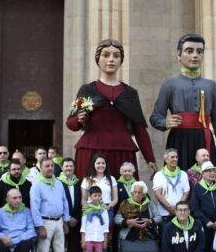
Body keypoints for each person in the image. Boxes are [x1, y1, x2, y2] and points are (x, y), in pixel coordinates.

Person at [66, 39, 157, 179]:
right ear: (98, 59)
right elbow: (71, 123)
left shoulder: (130, 93)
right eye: (106, 55)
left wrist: (150, 158)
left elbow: (139, 128)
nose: (111, 60)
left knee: (123, 197)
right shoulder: (86, 90)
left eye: (116, 56)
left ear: (121, 60)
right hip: (91, 151)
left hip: (122, 153)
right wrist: (79, 119)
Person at [150, 33, 216, 171]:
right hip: (179, 141)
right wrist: (164, 122)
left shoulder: (211, 86)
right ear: (179, 55)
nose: (195, 55)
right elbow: (155, 117)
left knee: (207, 183)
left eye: (199, 51)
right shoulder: (169, 84)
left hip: (204, 140)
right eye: (189, 51)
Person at [31, 158, 71, 252]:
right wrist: (39, 226)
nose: (49, 168)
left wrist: (66, 220)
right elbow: (34, 207)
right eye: (46, 166)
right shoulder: (37, 185)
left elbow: (65, 202)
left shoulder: (59, 183)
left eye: (51, 166)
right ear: (41, 168)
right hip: (45, 222)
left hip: (59, 221)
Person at [80, 153, 118, 252]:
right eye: (98, 163)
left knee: (103, 243)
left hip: (106, 212)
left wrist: (108, 207)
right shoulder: (87, 180)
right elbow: (84, 199)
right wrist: (87, 209)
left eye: (103, 163)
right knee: (90, 242)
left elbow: (115, 198)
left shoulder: (111, 179)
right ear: (93, 165)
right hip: (91, 213)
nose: (101, 165)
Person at [117, 181, 159, 252]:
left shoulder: (149, 204)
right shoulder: (124, 203)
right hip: (129, 236)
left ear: (144, 194)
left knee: (153, 251)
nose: (136, 194)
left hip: (147, 235)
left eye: (139, 192)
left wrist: (150, 221)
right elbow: (116, 219)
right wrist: (128, 222)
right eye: (134, 192)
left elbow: (158, 217)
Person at [190, 161, 216, 252]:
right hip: (204, 225)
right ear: (202, 174)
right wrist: (207, 221)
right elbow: (194, 209)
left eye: (213, 170)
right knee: (206, 248)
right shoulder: (197, 188)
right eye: (208, 171)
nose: (212, 173)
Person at [59, 157, 84, 252]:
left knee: (74, 249)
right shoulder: (58, 183)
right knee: (59, 250)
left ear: (74, 168)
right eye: (66, 166)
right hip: (62, 221)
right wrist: (66, 219)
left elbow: (82, 202)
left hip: (76, 221)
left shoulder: (79, 183)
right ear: (62, 168)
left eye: (71, 166)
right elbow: (59, 203)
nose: (68, 168)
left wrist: (77, 218)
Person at [80, 186, 110, 252]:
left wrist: (105, 240)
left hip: (100, 239)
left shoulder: (104, 210)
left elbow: (106, 227)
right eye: (94, 195)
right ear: (90, 196)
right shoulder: (86, 209)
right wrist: (83, 239)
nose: (97, 197)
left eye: (99, 195)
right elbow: (83, 226)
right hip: (88, 238)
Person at [152, 149, 191, 222]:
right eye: (172, 157)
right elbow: (158, 194)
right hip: (165, 214)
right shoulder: (159, 175)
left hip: (181, 214)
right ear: (166, 159)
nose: (175, 159)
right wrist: (170, 208)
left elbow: (186, 192)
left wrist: (178, 208)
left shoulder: (183, 174)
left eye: (176, 157)